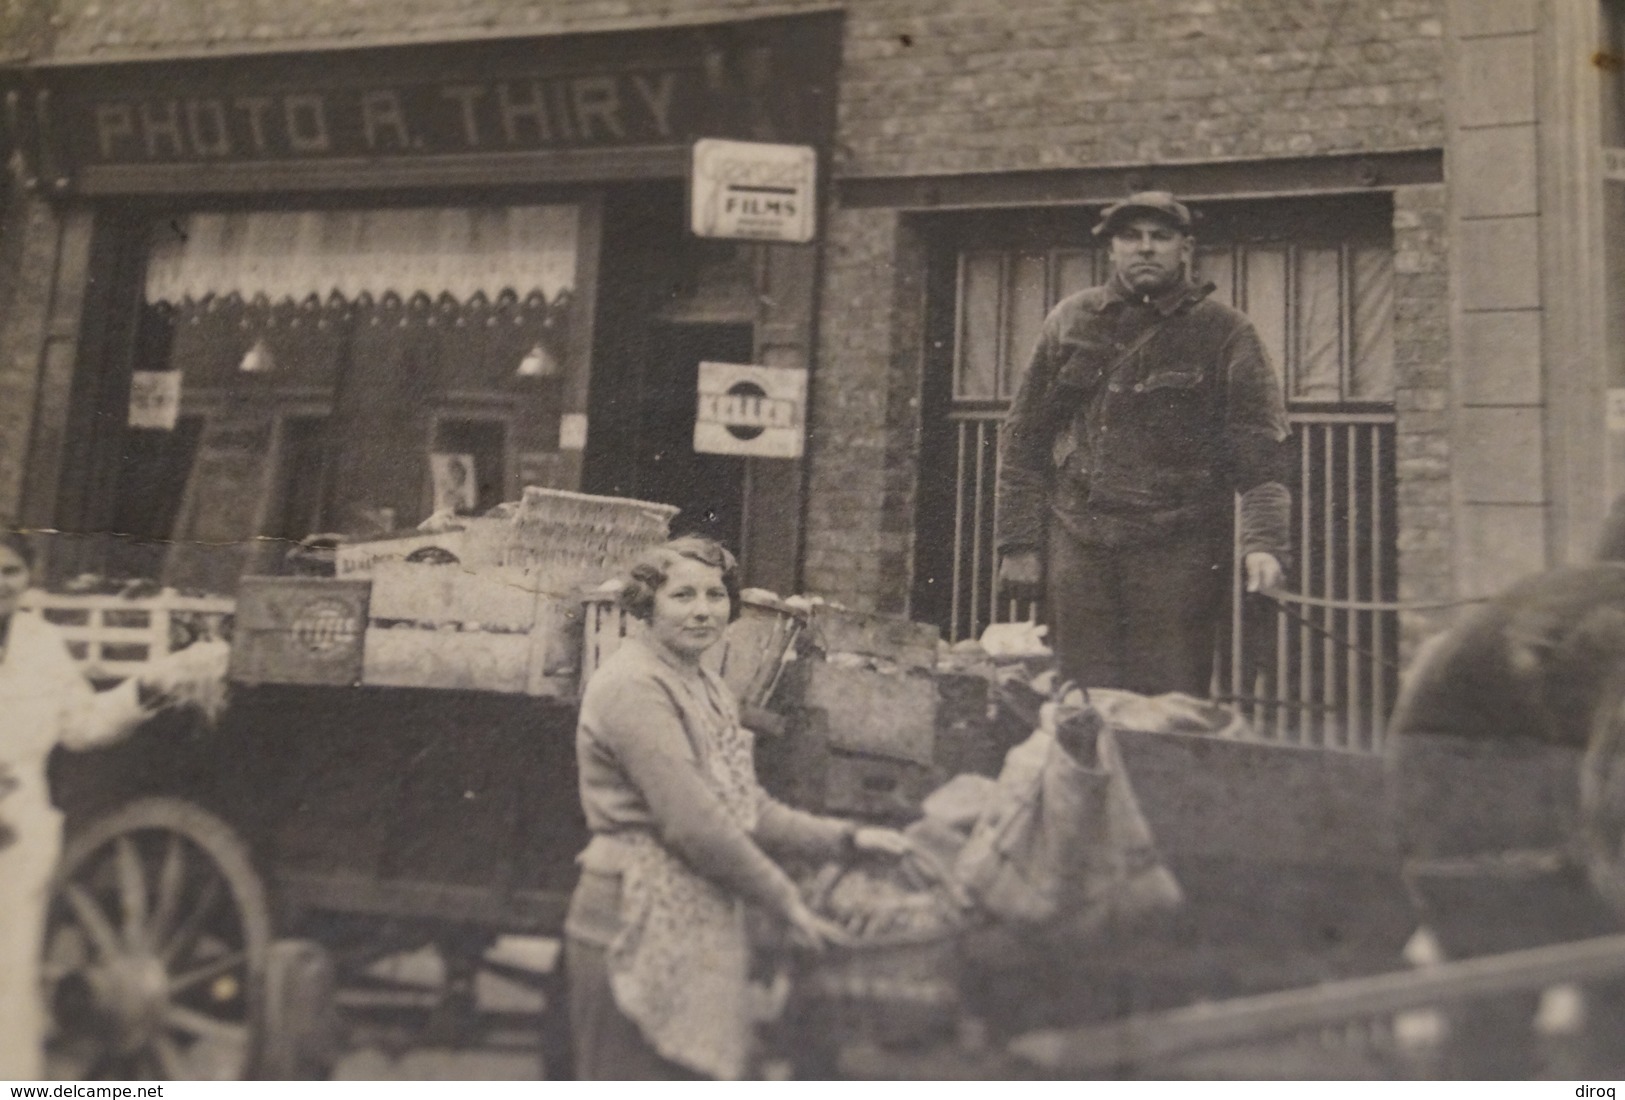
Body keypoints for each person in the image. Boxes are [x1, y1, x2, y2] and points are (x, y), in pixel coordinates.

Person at [563, 536, 910, 1080]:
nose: (703, 610)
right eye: (682, 596)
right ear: (645, 604)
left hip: (699, 920)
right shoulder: (632, 686)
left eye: (715, 595)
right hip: (631, 916)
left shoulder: (708, 686)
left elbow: (746, 806)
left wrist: (847, 839)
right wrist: (783, 899)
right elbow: (692, 823)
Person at [994, 191, 1293, 696]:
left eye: (1161, 236)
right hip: (1080, 544)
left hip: (1178, 550)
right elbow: (1024, 440)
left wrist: (1263, 545)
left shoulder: (1225, 332)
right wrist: (1018, 543)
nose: (1146, 248)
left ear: (1186, 248)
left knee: (1168, 699)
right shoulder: (1069, 321)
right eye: (1131, 237)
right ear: (1111, 250)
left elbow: (1261, 456)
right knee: (1079, 697)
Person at [0, 532, 176, 1080]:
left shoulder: (42, 643)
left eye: (9, 571)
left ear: (28, 577)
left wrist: (142, 691)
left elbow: (80, 725)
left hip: (19, 824)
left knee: (12, 967)